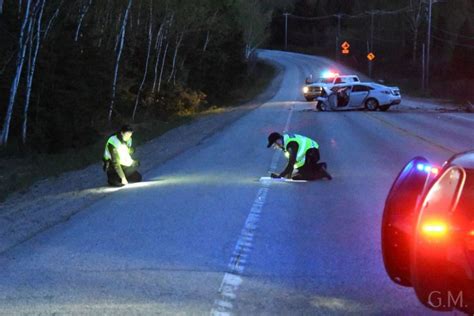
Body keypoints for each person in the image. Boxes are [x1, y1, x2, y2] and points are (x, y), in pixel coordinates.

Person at [267, 132, 332, 181]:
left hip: (311, 153)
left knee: (307, 176)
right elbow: (292, 161)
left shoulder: (291, 145)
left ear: (278, 140)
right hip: (311, 152)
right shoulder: (286, 141)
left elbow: (292, 162)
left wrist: (281, 176)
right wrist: (288, 175)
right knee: (297, 176)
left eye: (274, 145)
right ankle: (320, 166)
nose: (274, 147)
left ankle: (322, 173)